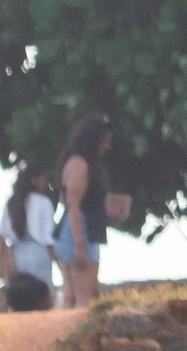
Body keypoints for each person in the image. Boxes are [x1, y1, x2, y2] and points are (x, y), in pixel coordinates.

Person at [52, 114, 130, 309]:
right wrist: (80, 246)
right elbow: (74, 206)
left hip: (77, 232)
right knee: (85, 300)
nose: (107, 146)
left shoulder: (75, 163)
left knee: (71, 296)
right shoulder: (80, 165)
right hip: (80, 233)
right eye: (104, 141)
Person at [0, 165, 56, 290]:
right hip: (39, 254)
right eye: (44, 178)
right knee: (41, 296)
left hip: (17, 255)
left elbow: (2, 235)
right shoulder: (44, 202)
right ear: (34, 180)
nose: (46, 182)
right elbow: (49, 239)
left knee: (20, 297)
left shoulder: (12, 203)